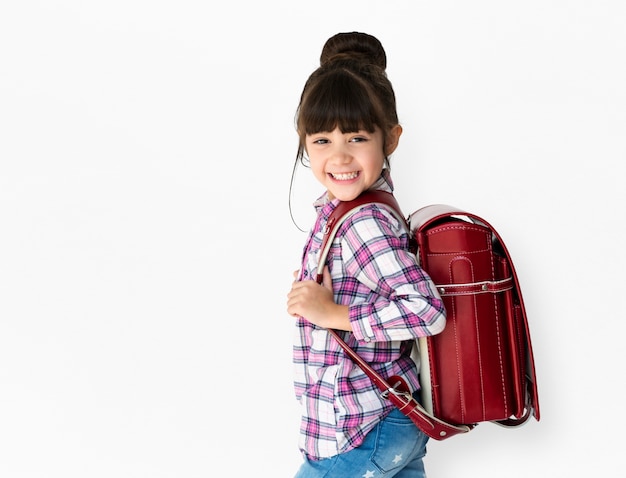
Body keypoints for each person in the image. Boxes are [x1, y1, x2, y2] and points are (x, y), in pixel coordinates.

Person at [286, 32, 447, 477]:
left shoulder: (363, 221)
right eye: (321, 141)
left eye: (356, 138)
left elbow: (427, 311)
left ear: (390, 139)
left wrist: (333, 313)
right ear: (304, 142)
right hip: (382, 417)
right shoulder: (346, 211)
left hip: (359, 430)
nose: (339, 157)